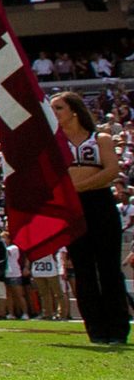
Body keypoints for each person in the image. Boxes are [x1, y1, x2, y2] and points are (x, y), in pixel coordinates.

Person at [53, 92, 128, 346]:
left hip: (100, 204)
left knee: (108, 268)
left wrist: (80, 188)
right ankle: (95, 329)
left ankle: (117, 329)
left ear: (74, 111)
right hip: (72, 210)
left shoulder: (100, 139)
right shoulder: (54, 144)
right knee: (83, 269)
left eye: (59, 108)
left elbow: (112, 171)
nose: (55, 113)